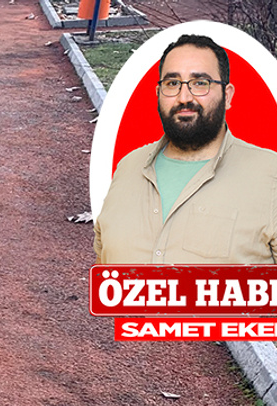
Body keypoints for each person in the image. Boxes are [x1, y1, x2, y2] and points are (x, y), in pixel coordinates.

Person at [94, 33, 277, 264]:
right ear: (158, 94)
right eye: (172, 83)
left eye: (200, 83)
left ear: (227, 95)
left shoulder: (270, 176)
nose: (184, 97)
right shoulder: (127, 167)